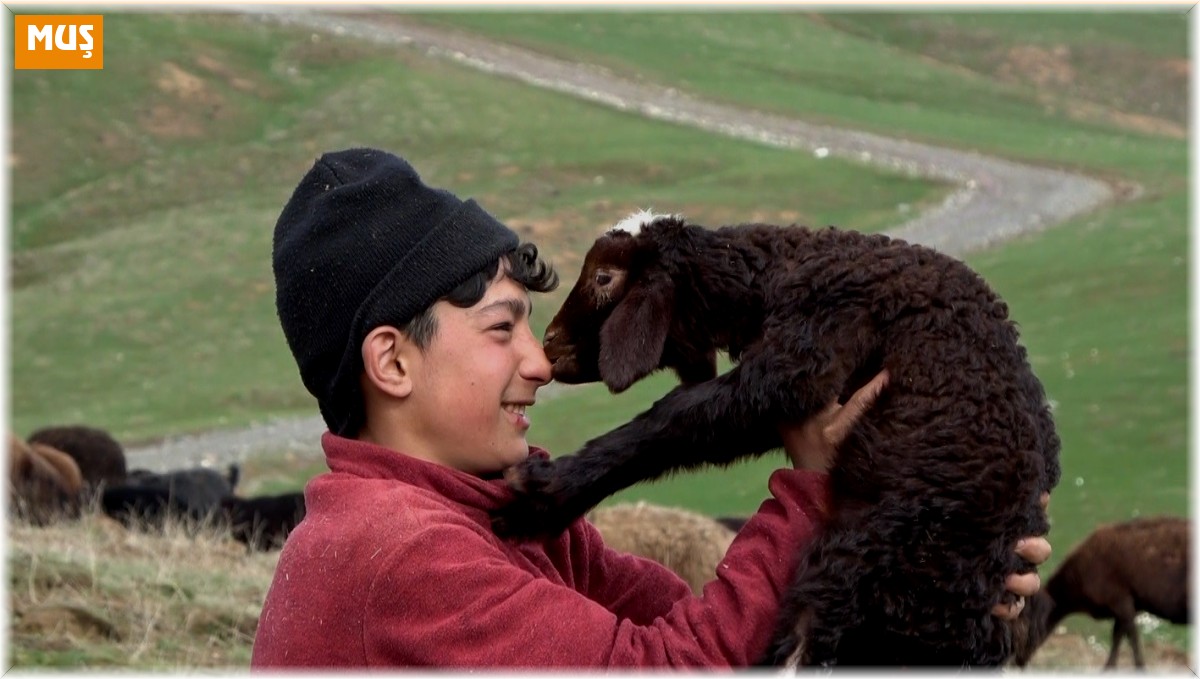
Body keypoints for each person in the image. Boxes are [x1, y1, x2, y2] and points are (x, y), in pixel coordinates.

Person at [251, 148, 1051, 668]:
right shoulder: (400, 555)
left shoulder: (494, 519)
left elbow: (715, 633)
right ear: (392, 360)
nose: (539, 364)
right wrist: (819, 491)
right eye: (504, 329)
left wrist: (921, 572)